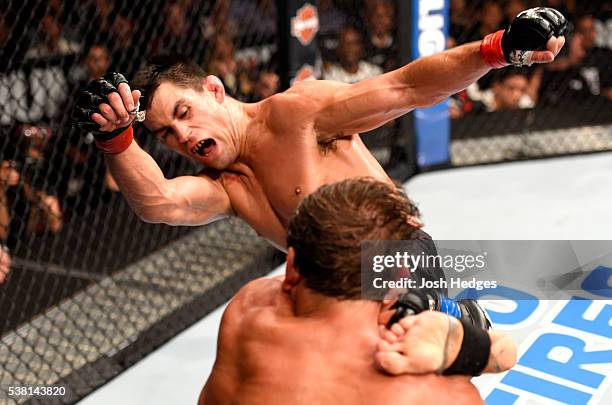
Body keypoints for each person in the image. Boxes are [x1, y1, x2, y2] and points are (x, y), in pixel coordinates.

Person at [72, 8, 567, 252]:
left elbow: (408, 88)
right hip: (323, 291)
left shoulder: (295, 114)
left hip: (392, 264)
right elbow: (158, 202)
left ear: (215, 89)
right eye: (164, 135)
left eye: (183, 113)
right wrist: (114, 138)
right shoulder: (229, 188)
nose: (180, 137)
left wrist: (497, 48)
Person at [199, 178, 517, 405]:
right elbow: (502, 356)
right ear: (398, 278)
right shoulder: (432, 392)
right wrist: (466, 353)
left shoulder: (248, 308)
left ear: (292, 264)